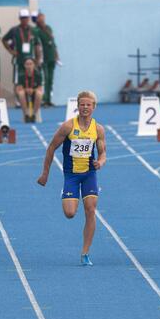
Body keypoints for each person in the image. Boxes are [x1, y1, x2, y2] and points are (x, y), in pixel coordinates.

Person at [37, 91, 107, 266]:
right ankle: (68, 193)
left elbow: (103, 152)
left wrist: (100, 162)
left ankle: (85, 253)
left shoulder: (98, 129)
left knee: (90, 209)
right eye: (82, 104)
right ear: (77, 106)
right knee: (69, 213)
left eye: (88, 105)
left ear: (94, 107)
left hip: (89, 174)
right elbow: (51, 148)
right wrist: (45, 173)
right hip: (71, 176)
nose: (85, 107)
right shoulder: (68, 127)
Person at [3, 9, 42, 107]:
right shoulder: (14, 30)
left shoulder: (34, 30)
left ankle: (32, 100)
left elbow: (37, 45)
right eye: (22, 18)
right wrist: (11, 51)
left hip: (31, 61)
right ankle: (17, 100)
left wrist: (38, 59)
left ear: (28, 18)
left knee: (32, 79)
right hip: (19, 60)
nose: (24, 20)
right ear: (19, 19)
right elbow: (4, 40)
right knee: (17, 80)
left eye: (26, 18)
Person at [34, 12, 59, 107]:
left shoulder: (48, 28)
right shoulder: (36, 30)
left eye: (43, 19)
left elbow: (53, 42)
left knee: (51, 80)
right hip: (43, 58)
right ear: (37, 20)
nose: (42, 21)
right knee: (45, 79)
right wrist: (38, 59)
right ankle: (44, 99)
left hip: (51, 56)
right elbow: (37, 44)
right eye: (40, 19)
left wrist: (56, 55)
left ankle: (49, 100)